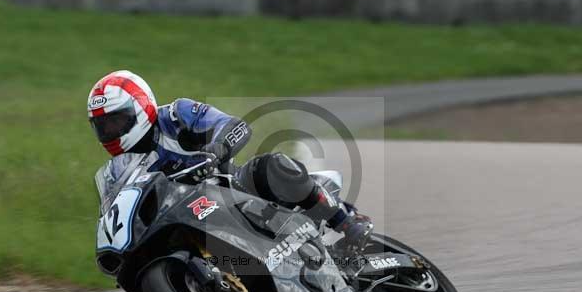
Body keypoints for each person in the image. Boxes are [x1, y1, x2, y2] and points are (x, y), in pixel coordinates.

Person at [87, 70, 373, 252]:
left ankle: (345, 221)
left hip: (232, 191)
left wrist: (217, 150)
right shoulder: (120, 170)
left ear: (140, 107)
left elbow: (235, 126)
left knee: (270, 165)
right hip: (191, 221)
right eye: (103, 127)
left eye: (117, 121)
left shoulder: (175, 115)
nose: (111, 132)